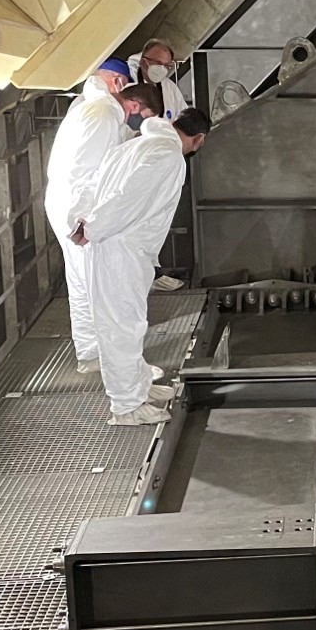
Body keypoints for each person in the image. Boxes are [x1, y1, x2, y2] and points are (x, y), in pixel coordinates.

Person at [72, 106, 212, 425]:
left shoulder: (133, 145)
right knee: (121, 326)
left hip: (114, 246)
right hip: (120, 249)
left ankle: (140, 387)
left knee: (129, 323)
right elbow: (127, 198)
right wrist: (92, 228)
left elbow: (91, 186)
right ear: (199, 139)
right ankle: (126, 406)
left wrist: (83, 220)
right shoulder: (167, 156)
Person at [42, 59, 155, 374]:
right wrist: (85, 220)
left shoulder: (88, 107)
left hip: (67, 203)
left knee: (83, 280)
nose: (133, 112)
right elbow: (86, 172)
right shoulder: (103, 113)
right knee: (99, 282)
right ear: (118, 84)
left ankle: (93, 353)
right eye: (134, 104)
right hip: (77, 208)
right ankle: (107, 357)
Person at [136, 41, 191, 293]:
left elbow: (181, 116)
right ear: (144, 60)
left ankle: (152, 270)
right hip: (136, 165)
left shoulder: (167, 87)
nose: (163, 69)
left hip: (161, 165)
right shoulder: (127, 86)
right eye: (158, 64)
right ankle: (142, 272)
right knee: (134, 220)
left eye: (168, 65)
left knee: (156, 220)